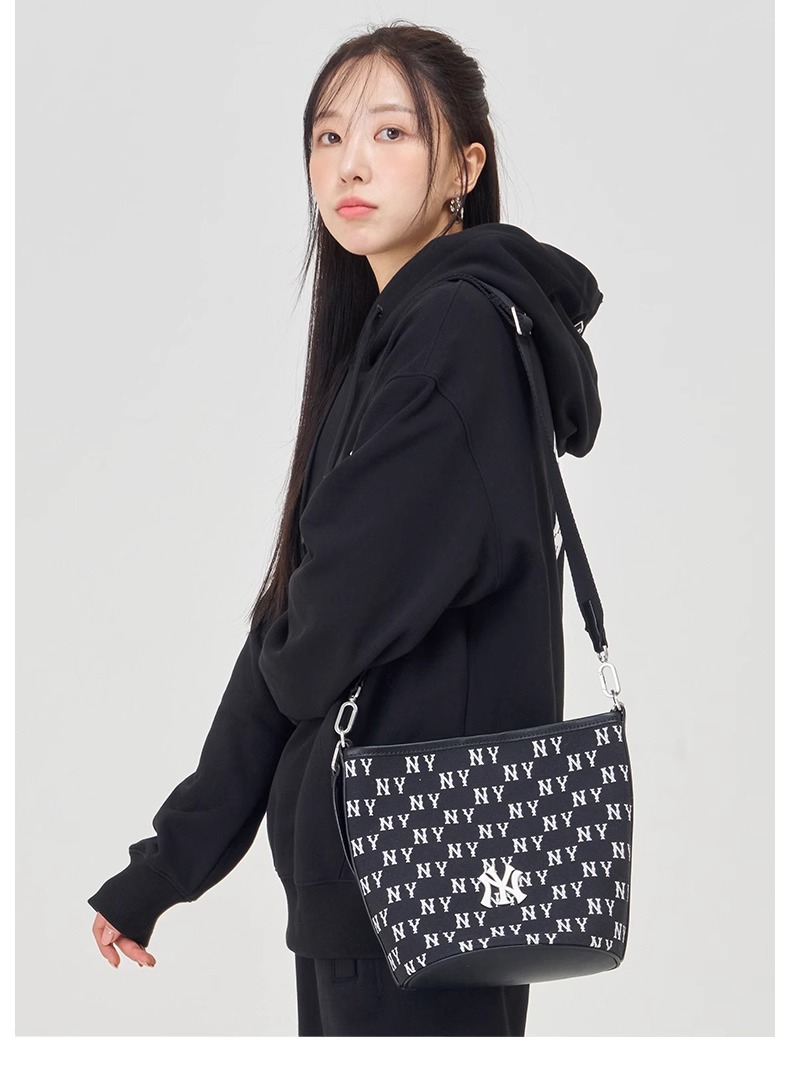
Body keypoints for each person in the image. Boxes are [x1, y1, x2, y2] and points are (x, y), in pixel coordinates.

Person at [87, 20, 605, 1037]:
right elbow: (310, 611)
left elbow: (316, 624)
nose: (350, 164)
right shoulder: (403, 337)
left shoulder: (453, 335)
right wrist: (170, 862)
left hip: (411, 879)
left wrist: (173, 857)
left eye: (390, 133)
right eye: (328, 136)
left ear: (464, 167)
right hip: (408, 872)